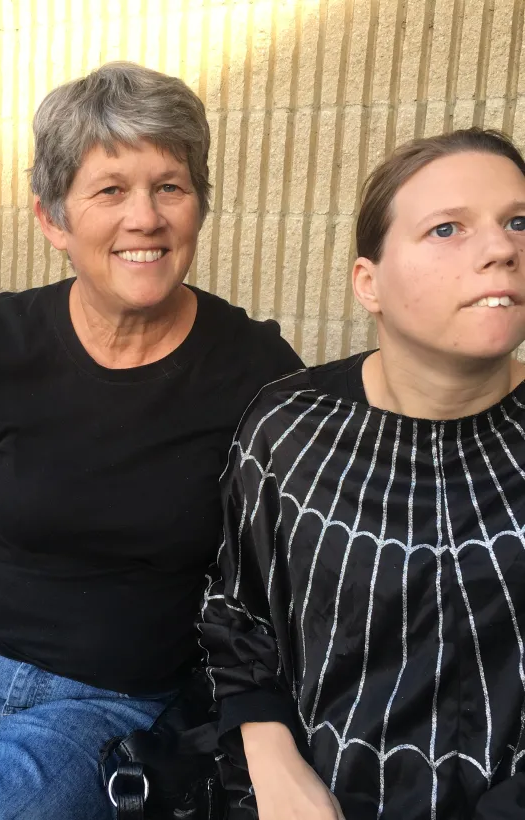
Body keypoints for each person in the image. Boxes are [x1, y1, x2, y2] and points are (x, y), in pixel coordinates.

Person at [0, 61, 303, 820]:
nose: (145, 217)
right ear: (53, 219)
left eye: (170, 186)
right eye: (110, 189)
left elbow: (279, 591)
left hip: (108, 702)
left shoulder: (256, 373)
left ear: (199, 205)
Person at [199, 127, 525, 819]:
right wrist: (272, 757)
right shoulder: (289, 427)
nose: (501, 249)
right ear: (368, 284)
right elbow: (238, 616)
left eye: (518, 222)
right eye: (447, 229)